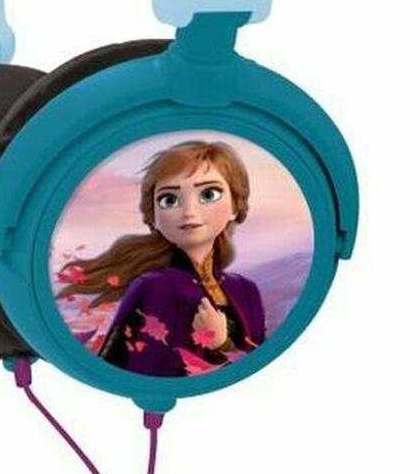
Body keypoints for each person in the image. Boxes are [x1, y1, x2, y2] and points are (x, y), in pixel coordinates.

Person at [56, 140, 266, 376]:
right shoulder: (155, 287)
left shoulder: (246, 290)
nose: (189, 211)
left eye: (209, 194)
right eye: (169, 200)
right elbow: (142, 372)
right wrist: (218, 346)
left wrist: (223, 344)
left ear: (235, 207)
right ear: (154, 216)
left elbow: (261, 368)